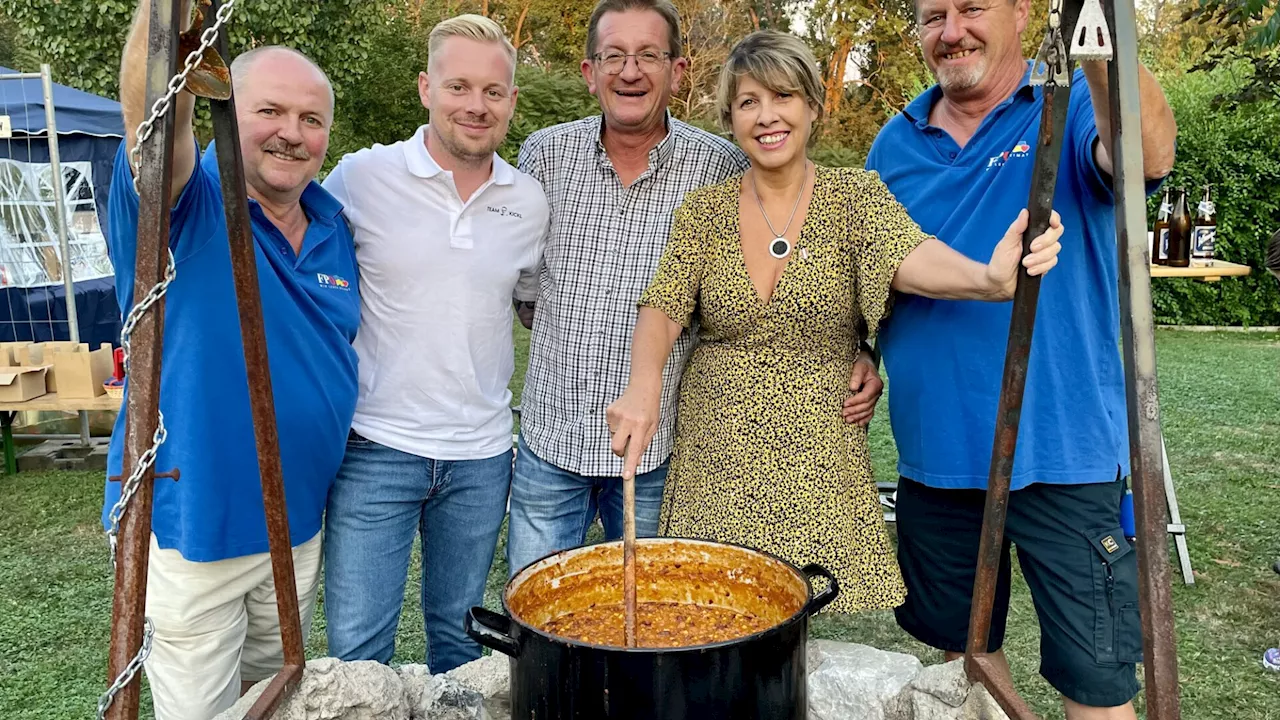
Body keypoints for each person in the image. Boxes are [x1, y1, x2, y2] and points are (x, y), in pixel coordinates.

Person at [606, 30, 1063, 615]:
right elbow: (664, 305)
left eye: (783, 97)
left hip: (818, 453)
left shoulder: (855, 197)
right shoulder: (705, 210)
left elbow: (908, 256)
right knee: (708, 612)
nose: (767, 116)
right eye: (749, 102)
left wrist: (987, 280)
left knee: (801, 625)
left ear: (813, 107)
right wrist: (642, 389)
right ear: (731, 117)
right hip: (715, 455)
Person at [863, 0, 1177, 715]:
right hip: (936, 456)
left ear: (1023, 12)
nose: (950, 31)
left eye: (971, 7)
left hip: (1063, 456)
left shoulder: (1067, 107)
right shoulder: (895, 143)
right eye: (931, 15)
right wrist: (857, 348)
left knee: (1095, 680)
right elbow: (872, 271)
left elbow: (1147, 155)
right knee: (966, 658)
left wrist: (1096, 50)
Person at [506, 0, 887, 575]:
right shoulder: (544, 156)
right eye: (613, 56)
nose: (629, 71)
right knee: (540, 622)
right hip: (551, 438)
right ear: (589, 72)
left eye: (649, 55)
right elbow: (524, 290)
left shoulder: (722, 167)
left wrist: (858, 347)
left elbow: (792, 267)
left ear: (678, 71)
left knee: (664, 620)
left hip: (666, 447)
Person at [104, 3, 358, 718]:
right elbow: (154, 120)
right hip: (199, 533)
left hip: (297, 524)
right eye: (269, 111)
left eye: (311, 119)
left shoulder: (334, 225)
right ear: (218, 104)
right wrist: (169, 18)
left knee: (276, 701)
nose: (292, 133)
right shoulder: (184, 201)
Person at [320, 15, 547, 674]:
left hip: (480, 456)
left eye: (493, 91)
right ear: (426, 88)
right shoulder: (363, 176)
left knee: (462, 646)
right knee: (360, 651)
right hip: (376, 445)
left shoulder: (529, 201)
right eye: (458, 86)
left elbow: (530, 301)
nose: (475, 106)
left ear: (510, 101)